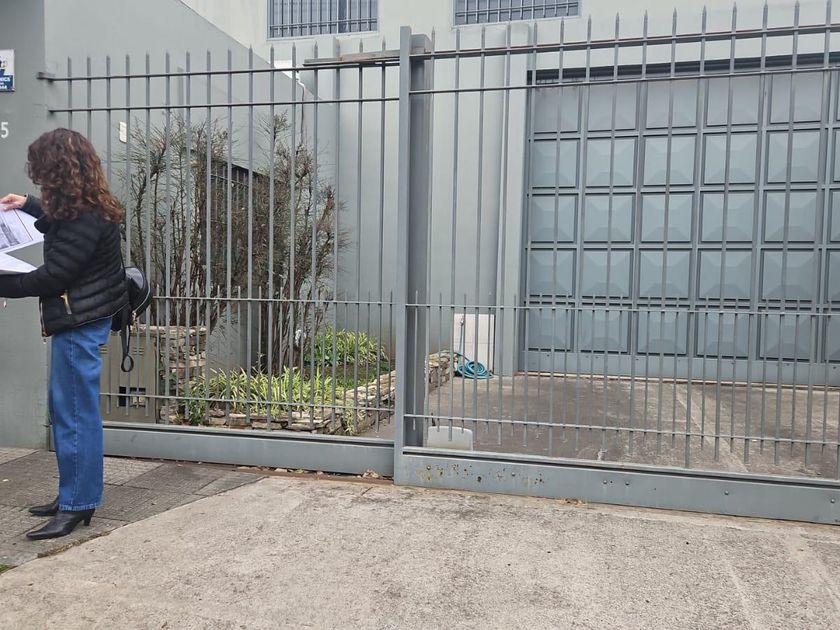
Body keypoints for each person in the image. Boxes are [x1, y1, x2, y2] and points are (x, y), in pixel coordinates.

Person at [0, 128, 128, 540]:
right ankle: (74, 494)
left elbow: (55, 275)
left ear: (58, 169)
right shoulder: (84, 206)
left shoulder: (84, 216)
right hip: (82, 319)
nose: (36, 175)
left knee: (74, 415)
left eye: (40, 168)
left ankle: (78, 503)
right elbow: (62, 225)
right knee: (69, 412)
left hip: (79, 323)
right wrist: (28, 204)